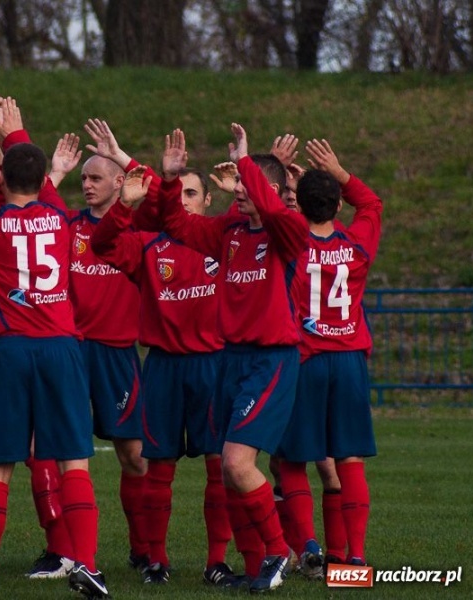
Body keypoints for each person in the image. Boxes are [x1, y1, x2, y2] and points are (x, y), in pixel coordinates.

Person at [0, 95, 109, 600]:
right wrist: (12, 132)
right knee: (73, 463)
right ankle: (86, 565)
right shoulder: (61, 218)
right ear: (44, 181)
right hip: (61, 348)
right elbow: (33, 179)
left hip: (12, 350)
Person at [158, 124, 309, 593]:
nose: (237, 192)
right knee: (229, 470)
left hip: (270, 361)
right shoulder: (231, 230)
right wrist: (169, 181)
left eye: (245, 185)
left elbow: (271, 205)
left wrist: (247, 161)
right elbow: (181, 226)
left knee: (238, 463)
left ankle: (279, 553)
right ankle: (256, 564)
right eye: (239, 184)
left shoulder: (288, 229)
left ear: (264, 188)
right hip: (231, 359)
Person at [83, 124, 236, 587]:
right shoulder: (149, 245)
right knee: (158, 469)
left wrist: (249, 178)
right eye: (180, 192)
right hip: (164, 367)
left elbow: (265, 215)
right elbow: (103, 245)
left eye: (194, 193)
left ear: (208, 201)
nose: (185, 199)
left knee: (218, 467)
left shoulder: (224, 240)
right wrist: (132, 197)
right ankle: (156, 560)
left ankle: (216, 562)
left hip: (212, 365)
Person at [38, 133, 148, 580]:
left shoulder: (140, 232)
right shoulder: (68, 226)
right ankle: (59, 551)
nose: (87, 185)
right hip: (71, 351)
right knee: (50, 449)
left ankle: (144, 550)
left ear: (121, 181)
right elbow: (30, 206)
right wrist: (56, 172)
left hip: (118, 355)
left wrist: (129, 156)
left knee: (134, 456)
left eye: (96, 177)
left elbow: (160, 188)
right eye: (83, 178)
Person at [277, 138, 382, 569]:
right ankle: (353, 558)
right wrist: (339, 173)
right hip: (350, 360)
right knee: (349, 459)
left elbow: (275, 218)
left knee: (291, 458)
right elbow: (371, 204)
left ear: (299, 207)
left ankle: (309, 548)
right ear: (338, 208)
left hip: (307, 360)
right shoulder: (357, 244)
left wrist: (299, 197)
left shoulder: (292, 245)